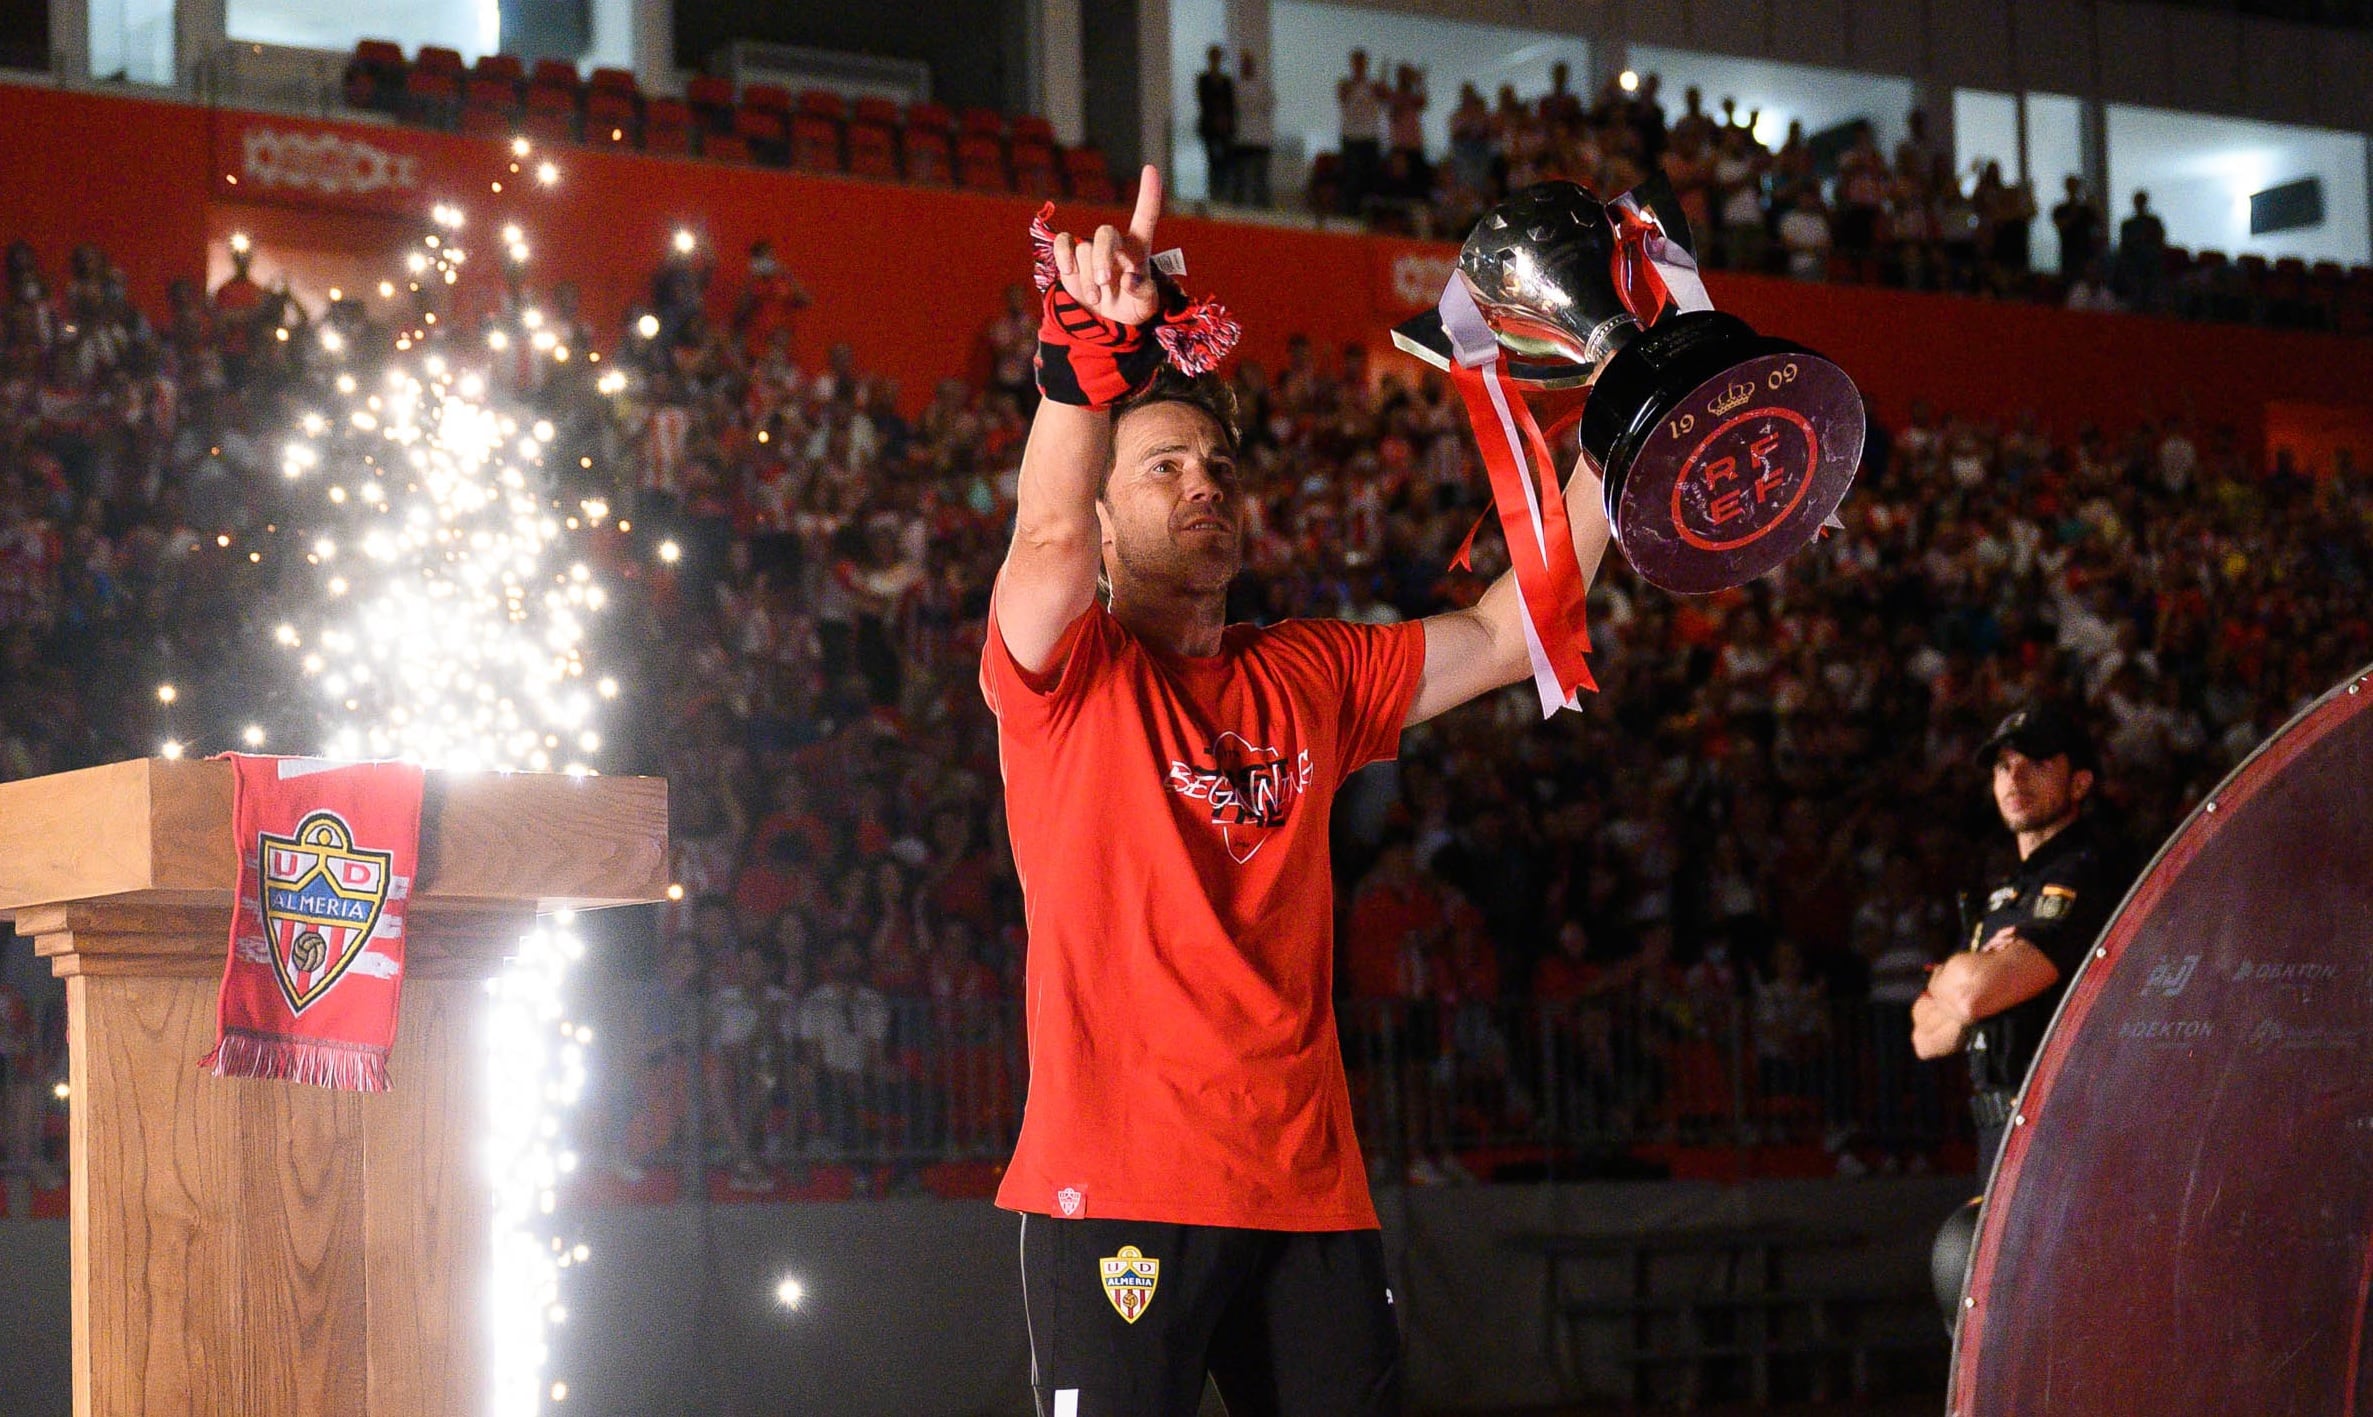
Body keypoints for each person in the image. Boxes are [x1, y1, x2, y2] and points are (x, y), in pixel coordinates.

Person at [991, 167, 1612, 1416]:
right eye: (1162, 468)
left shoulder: (1309, 668)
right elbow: (1044, 544)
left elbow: (1506, 631)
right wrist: (1083, 346)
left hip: (1306, 1192)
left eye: (1217, 465)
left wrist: (1627, 422)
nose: (1204, 484)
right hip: (1116, 1186)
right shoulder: (1062, 674)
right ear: (1106, 520)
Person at [1913, 704, 2130, 1327]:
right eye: (2004, 766)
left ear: (2080, 781)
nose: (2015, 777)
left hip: (2061, 1135)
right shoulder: (2005, 894)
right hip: (1996, 1135)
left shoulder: (2087, 869)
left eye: (2036, 762)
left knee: (2037, 1323)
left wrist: (1962, 981)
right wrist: (1970, 973)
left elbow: (1975, 999)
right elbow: (1926, 1036)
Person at [1228, 50, 1275, 208]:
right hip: (1242, 138)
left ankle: (1262, 207)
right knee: (1241, 176)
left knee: (1260, 177)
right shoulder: (1236, 86)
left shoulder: (1262, 85)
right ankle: (1239, 206)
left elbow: (1268, 105)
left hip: (1261, 138)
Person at [1194, 46, 1236, 203]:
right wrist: (1215, 119)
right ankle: (1214, 194)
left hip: (1224, 128)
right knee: (1213, 161)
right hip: (1210, 127)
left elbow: (1231, 104)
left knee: (1224, 163)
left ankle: (1223, 194)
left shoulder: (1226, 81)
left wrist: (1225, 120)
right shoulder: (1204, 80)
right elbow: (1204, 102)